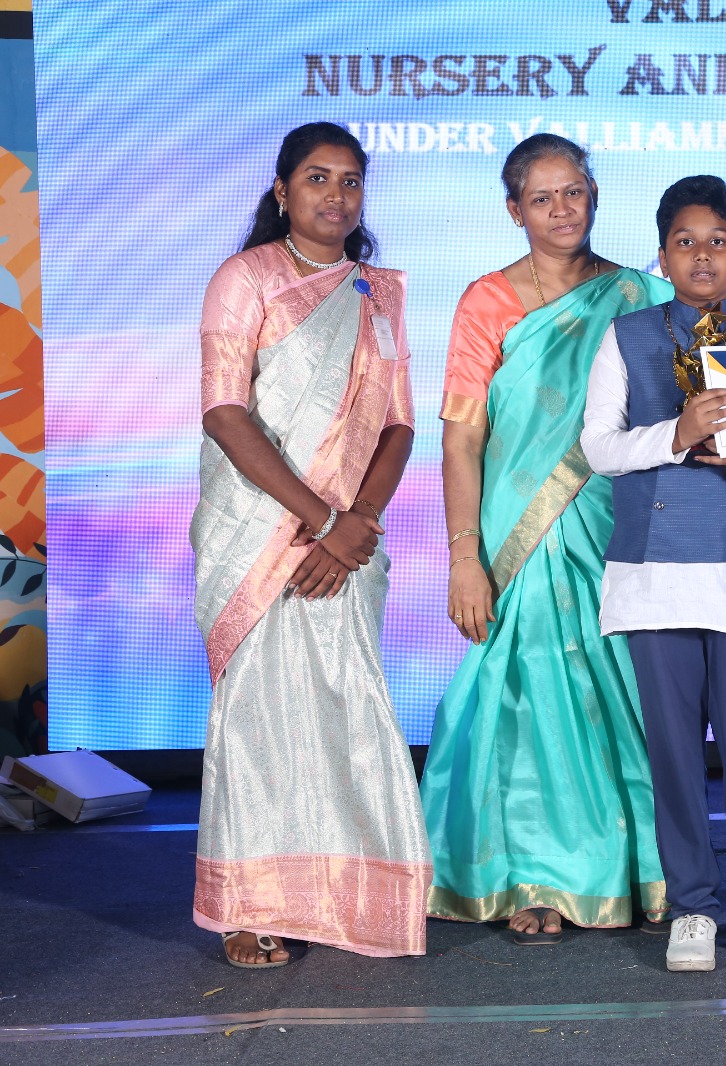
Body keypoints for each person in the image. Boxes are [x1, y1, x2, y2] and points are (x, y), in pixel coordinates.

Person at [418, 135, 672, 945]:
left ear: (594, 194)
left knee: (623, 687)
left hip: (617, 518)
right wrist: (464, 555)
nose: (562, 210)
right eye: (542, 197)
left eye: (574, 192)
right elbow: (462, 438)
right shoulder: (488, 302)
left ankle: (631, 868)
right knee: (528, 692)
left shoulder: (639, 295)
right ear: (514, 210)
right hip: (520, 529)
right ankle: (532, 875)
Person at [191, 122, 429, 966]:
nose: (336, 195)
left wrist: (356, 525)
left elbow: (398, 423)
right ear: (283, 189)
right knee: (258, 720)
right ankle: (248, 906)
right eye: (318, 178)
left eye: (351, 180)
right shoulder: (245, 278)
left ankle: (348, 896)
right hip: (259, 535)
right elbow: (226, 414)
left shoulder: (378, 292)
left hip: (348, 541)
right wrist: (323, 523)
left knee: (345, 710)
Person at [580, 175, 726, 972]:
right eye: (685, 242)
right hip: (654, 576)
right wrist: (679, 434)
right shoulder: (627, 336)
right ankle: (692, 908)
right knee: (675, 753)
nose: (702, 255)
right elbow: (598, 449)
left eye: (717, 241)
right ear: (662, 255)